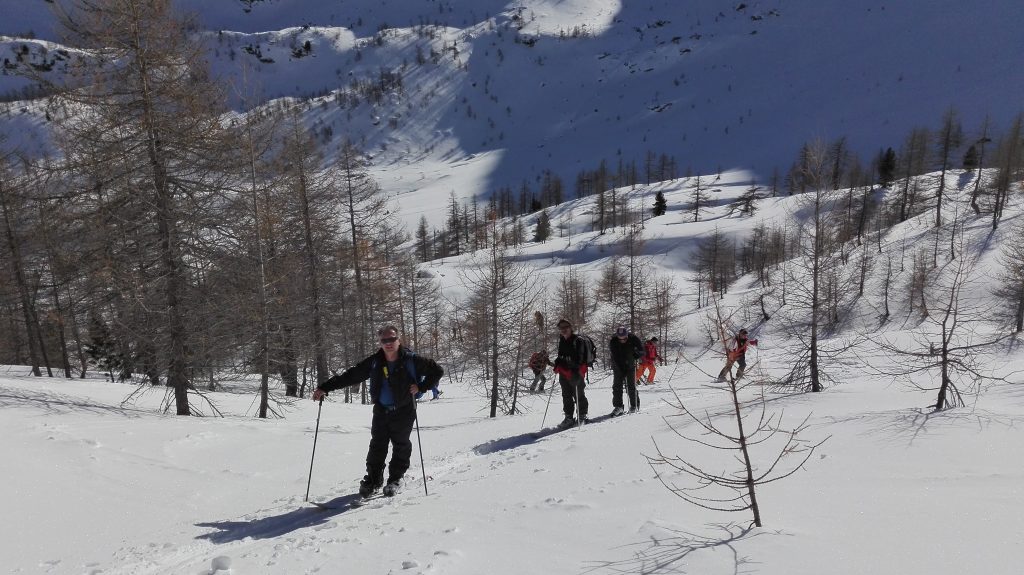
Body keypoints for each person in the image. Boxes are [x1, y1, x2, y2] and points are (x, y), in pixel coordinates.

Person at [312, 325, 444, 498]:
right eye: (384, 340)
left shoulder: (412, 360)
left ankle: (395, 479)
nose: (388, 343)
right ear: (380, 342)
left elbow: (437, 371)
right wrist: (325, 388)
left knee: (401, 444)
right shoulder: (375, 361)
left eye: (392, 339)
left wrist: (421, 387)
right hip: (381, 409)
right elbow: (351, 376)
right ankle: (373, 480)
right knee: (377, 445)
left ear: (399, 340)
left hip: (404, 409)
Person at [552, 318, 589, 428]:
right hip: (564, 372)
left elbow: (580, 359)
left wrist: (571, 366)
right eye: (561, 328)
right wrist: (558, 362)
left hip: (576, 372)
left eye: (565, 327)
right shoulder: (562, 340)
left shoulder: (578, 340)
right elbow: (561, 355)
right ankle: (569, 417)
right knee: (566, 395)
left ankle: (582, 415)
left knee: (579, 394)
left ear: (570, 328)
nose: (563, 330)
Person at [608, 326, 643, 415]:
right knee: (617, 386)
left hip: (630, 365)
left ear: (627, 335)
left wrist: (637, 354)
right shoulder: (613, 341)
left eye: (624, 338)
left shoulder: (633, 339)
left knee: (631, 386)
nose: (622, 340)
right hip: (618, 366)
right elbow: (615, 356)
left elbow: (642, 350)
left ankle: (634, 405)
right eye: (620, 339)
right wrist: (620, 368)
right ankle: (618, 406)